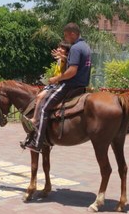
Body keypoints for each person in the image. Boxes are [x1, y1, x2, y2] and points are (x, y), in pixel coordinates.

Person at [24, 23, 92, 153]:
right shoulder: (85, 47)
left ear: (72, 34)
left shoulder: (75, 48)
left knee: (43, 108)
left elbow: (72, 71)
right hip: (82, 85)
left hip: (69, 85)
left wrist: (56, 79)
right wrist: (65, 58)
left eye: (66, 35)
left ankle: (37, 143)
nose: (65, 38)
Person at [28, 41, 71, 129]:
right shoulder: (59, 60)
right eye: (59, 47)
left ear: (66, 51)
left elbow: (65, 59)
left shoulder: (65, 60)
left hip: (59, 85)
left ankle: (35, 119)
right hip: (53, 84)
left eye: (62, 48)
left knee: (40, 96)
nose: (59, 49)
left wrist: (62, 56)